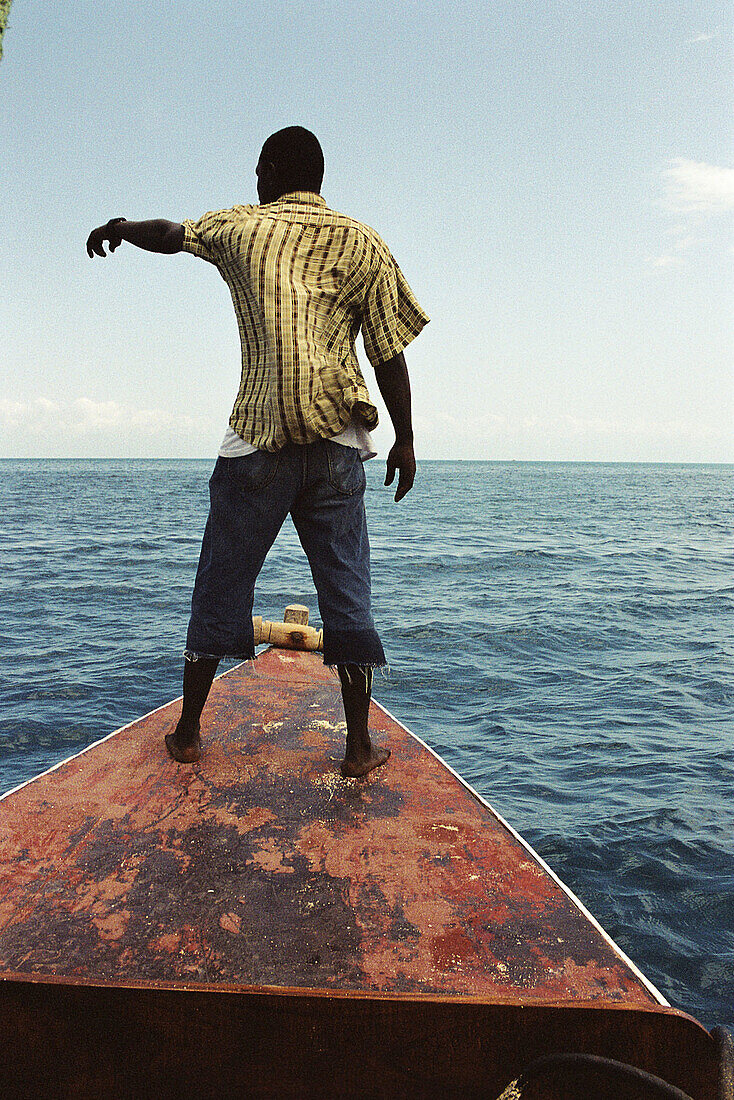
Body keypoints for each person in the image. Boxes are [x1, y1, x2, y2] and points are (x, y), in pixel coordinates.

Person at [86, 126, 429, 778]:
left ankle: (188, 733)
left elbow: (169, 234)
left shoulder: (243, 227)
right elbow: (389, 350)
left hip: (256, 444)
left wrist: (120, 226)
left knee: (221, 583)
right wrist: (406, 439)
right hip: (335, 446)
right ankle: (358, 747)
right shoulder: (365, 243)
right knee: (347, 591)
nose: (254, 180)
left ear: (274, 168)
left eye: (257, 169)